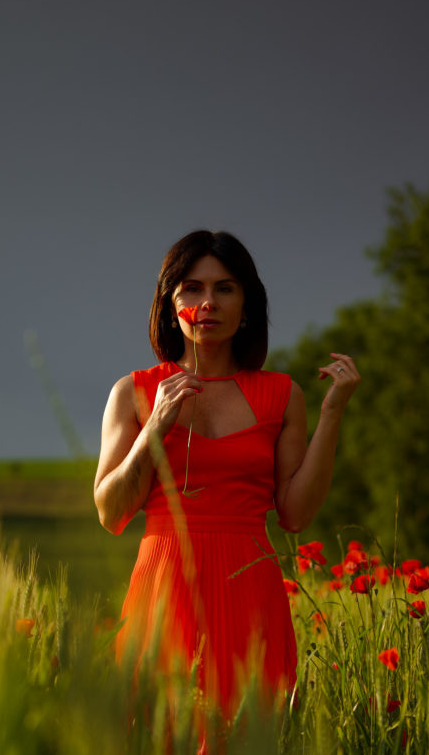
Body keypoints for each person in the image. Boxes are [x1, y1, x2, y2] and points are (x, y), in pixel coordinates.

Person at [94, 230, 359, 723]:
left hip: (249, 591)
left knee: (248, 753)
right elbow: (111, 513)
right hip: (163, 586)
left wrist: (333, 415)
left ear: (247, 305)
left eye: (225, 288)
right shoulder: (132, 392)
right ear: (170, 305)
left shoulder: (281, 395)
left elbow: (296, 515)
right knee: (158, 751)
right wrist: (154, 426)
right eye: (191, 289)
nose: (208, 302)